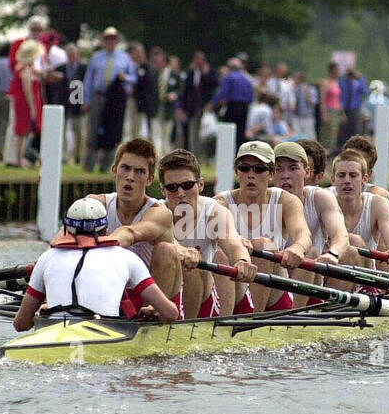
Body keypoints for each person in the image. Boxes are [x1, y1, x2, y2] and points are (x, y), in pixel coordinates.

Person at [14, 198, 180, 330]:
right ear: (105, 230)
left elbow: (20, 324)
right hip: (106, 334)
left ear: (66, 230)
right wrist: (153, 311)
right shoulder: (127, 257)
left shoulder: (47, 258)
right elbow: (171, 313)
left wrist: (41, 316)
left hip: (54, 331)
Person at [84, 138, 184, 313]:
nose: (130, 177)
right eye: (125, 168)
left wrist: (93, 248)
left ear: (149, 179)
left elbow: (129, 232)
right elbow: (62, 238)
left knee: (166, 250)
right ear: (114, 170)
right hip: (116, 294)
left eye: (139, 172)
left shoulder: (159, 213)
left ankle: (152, 315)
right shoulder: (94, 204)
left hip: (157, 298)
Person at [157, 148, 254, 319]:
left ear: (200, 185)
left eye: (187, 185)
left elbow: (233, 245)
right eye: (172, 188)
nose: (180, 193)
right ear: (162, 190)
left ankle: (211, 325)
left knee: (208, 259)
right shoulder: (155, 211)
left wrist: (242, 261)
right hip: (166, 291)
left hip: (202, 298)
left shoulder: (213, 212)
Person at [214, 141, 310, 312]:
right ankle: (224, 321)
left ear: (272, 173)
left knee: (262, 245)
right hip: (235, 289)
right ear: (237, 172)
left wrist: (298, 247)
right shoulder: (220, 203)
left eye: (259, 169)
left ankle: (253, 319)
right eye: (245, 168)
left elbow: (303, 234)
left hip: (275, 294)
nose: (251, 175)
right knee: (222, 253)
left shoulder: (286, 201)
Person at [269, 141, 352, 296]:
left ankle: (319, 310)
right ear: (271, 174)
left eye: (293, 168)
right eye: (278, 169)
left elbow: (341, 236)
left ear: (307, 172)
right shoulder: (262, 199)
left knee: (315, 252)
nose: (285, 175)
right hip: (273, 285)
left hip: (312, 285)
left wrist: (332, 254)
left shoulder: (320, 198)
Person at [331, 149, 389, 271]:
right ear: (333, 180)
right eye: (341, 175)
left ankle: (370, 288)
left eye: (353, 175)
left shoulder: (378, 204)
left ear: (364, 179)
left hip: (365, 271)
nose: (347, 181)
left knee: (353, 241)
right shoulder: (322, 200)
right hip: (332, 270)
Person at [81, 27, 135, 172]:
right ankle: (89, 165)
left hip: (115, 100)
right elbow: (88, 81)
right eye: (108, 39)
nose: (110, 42)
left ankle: (107, 165)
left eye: (113, 39)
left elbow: (133, 78)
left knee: (113, 131)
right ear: (104, 41)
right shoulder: (96, 58)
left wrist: (125, 78)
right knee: (93, 130)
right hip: (99, 97)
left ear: (117, 41)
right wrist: (86, 100)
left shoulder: (124, 58)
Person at [9, 37, 42, 167]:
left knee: (23, 131)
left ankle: (20, 158)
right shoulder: (26, 70)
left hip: (21, 102)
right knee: (23, 131)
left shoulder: (21, 67)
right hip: (24, 104)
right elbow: (27, 90)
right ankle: (20, 159)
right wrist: (32, 107)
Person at [176, 50, 216, 157]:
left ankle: (198, 154)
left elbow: (213, 85)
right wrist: (180, 107)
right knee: (189, 132)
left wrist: (206, 73)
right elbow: (184, 91)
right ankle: (191, 153)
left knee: (199, 131)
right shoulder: (190, 73)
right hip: (190, 107)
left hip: (202, 107)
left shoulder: (209, 72)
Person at [209, 57, 254, 148]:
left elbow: (223, 92)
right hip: (244, 107)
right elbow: (250, 96)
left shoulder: (228, 77)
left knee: (227, 129)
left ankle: (227, 152)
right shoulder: (246, 79)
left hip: (232, 106)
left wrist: (212, 103)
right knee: (240, 132)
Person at [59, 43, 87, 163]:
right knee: (63, 131)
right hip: (64, 103)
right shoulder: (60, 68)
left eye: (73, 54)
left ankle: (78, 156)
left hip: (78, 104)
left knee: (79, 131)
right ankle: (64, 156)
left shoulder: (83, 69)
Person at [150, 47, 180, 157]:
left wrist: (174, 95)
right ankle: (158, 158)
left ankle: (166, 159)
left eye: (159, 61)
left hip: (168, 110)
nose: (157, 64)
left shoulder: (174, 75)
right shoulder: (153, 74)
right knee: (156, 135)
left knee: (166, 136)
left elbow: (180, 89)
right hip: (156, 109)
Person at [342, 134, 389, 198]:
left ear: (368, 174)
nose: (351, 166)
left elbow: (382, 194)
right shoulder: (329, 194)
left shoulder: (377, 195)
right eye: (347, 160)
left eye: (358, 164)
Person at [127, 42, 155, 142]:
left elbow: (147, 83)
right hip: (127, 99)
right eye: (137, 52)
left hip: (139, 101)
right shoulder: (127, 65)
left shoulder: (145, 67)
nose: (139, 55)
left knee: (137, 126)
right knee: (127, 125)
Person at [320, 62, 343, 155]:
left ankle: (331, 154)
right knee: (327, 135)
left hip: (336, 111)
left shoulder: (336, 83)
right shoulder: (325, 83)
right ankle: (324, 154)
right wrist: (324, 113)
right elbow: (322, 99)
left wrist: (342, 113)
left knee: (333, 136)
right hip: (329, 110)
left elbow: (338, 99)